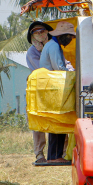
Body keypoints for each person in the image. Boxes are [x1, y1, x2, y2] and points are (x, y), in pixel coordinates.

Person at [40, 21, 76, 163]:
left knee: (57, 122)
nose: (70, 40)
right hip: (54, 86)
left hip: (53, 86)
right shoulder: (54, 46)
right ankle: (55, 156)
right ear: (63, 35)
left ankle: (54, 155)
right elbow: (59, 68)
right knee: (58, 122)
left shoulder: (53, 45)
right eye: (69, 37)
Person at [26, 21, 53, 165]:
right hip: (38, 89)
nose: (40, 34)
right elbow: (42, 69)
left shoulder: (53, 46)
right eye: (37, 32)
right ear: (32, 36)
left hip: (54, 87)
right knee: (38, 122)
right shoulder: (32, 52)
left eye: (42, 31)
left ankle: (61, 151)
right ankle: (39, 153)